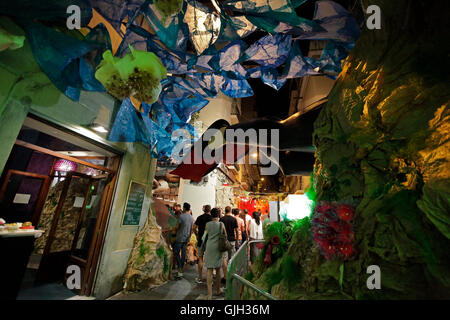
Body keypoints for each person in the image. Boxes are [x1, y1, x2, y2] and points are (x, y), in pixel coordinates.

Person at [203, 208, 226, 299]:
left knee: (209, 269)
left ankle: (209, 294)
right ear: (219, 215)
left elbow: (204, 236)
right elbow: (225, 236)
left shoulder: (207, 224)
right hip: (218, 248)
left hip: (209, 247)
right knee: (218, 268)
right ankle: (218, 289)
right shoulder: (221, 224)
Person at [173, 202, 194, 278]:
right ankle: (181, 268)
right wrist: (189, 237)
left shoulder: (181, 216)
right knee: (183, 254)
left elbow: (177, 227)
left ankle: (179, 267)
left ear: (184, 208)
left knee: (176, 252)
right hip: (186, 238)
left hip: (180, 237)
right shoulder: (191, 218)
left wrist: (173, 230)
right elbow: (192, 229)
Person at [193, 204, 212, 283]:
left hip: (200, 239)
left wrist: (197, 234)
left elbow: (194, 227)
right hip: (209, 240)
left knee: (200, 258)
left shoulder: (199, 217)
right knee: (209, 259)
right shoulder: (212, 218)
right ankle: (209, 278)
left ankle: (200, 277)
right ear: (210, 210)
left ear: (204, 210)